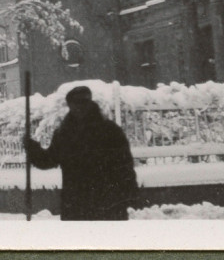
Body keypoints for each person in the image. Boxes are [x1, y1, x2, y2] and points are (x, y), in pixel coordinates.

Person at [23, 85, 138, 220]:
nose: (80, 107)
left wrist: (127, 196)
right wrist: (32, 148)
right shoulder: (64, 134)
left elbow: (124, 165)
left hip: (107, 205)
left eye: (83, 102)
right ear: (70, 105)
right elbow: (49, 160)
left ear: (90, 102)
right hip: (76, 205)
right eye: (75, 103)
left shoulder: (109, 131)